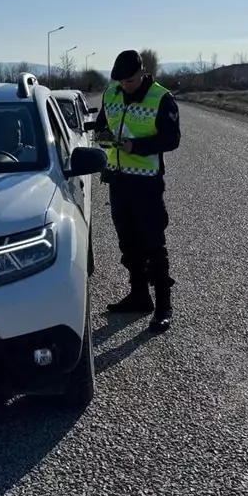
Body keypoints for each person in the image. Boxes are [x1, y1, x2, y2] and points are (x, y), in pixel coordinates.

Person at [87, 49, 181, 332]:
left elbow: (172, 139)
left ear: (142, 72)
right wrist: (99, 133)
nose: (124, 86)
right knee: (127, 243)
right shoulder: (112, 93)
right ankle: (139, 295)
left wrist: (135, 146)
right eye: (120, 81)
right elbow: (103, 123)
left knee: (153, 243)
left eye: (129, 81)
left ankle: (163, 305)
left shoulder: (161, 98)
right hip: (118, 180)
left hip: (147, 183)